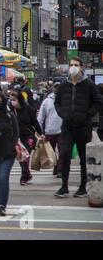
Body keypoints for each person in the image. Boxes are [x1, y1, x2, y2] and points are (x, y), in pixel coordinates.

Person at [54, 57, 103, 198]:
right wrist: (62, 113)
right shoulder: (64, 85)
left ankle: (82, 187)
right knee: (64, 154)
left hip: (83, 126)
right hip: (67, 126)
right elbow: (57, 102)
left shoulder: (88, 84)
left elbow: (98, 102)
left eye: (76, 65)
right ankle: (64, 187)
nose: (73, 67)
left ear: (82, 67)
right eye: (71, 65)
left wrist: (87, 114)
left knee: (83, 157)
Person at [8, 89, 44, 186]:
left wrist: (41, 133)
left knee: (25, 155)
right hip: (16, 138)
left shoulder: (28, 109)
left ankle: (24, 177)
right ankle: (27, 174)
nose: (12, 102)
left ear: (19, 99)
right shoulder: (9, 110)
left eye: (14, 99)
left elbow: (35, 123)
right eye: (11, 100)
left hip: (29, 136)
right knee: (21, 157)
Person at [37, 81, 63, 177]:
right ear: (53, 88)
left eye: (59, 87)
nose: (57, 89)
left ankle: (60, 169)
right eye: (56, 87)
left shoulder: (65, 100)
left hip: (62, 131)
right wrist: (39, 131)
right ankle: (56, 165)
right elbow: (40, 117)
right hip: (49, 131)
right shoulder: (47, 101)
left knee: (62, 151)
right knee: (50, 153)